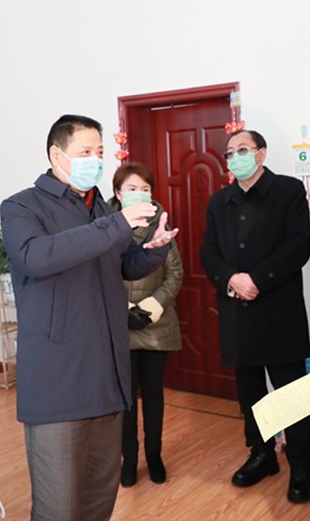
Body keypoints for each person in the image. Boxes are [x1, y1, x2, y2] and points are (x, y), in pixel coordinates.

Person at [0, 114, 178, 521]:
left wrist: (152, 250)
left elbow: (122, 265)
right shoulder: (21, 206)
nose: (95, 160)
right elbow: (37, 257)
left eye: (100, 152)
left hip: (106, 373)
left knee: (100, 497)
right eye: (85, 152)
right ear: (56, 155)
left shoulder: (97, 205)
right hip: (59, 379)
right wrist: (116, 224)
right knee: (59, 507)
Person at [199, 129, 310, 504]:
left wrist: (257, 280)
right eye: (230, 152)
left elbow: (298, 245)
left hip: (279, 312)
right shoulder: (219, 201)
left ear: (261, 154)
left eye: (243, 150)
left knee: (292, 394)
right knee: (250, 393)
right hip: (238, 311)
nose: (235, 157)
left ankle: (300, 464)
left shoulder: (288, 191)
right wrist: (231, 279)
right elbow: (208, 252)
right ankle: (262, 454)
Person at [107, 162, 184, 488]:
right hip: (118, 324)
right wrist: (124, 310)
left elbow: (175, 274)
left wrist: (149, 308)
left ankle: (154, 455)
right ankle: (129, 459)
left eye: (145, 189)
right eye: (132, 189)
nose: (139, 194)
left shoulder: (161, 225)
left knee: (153, 394)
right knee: (125, 399)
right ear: (118, 193)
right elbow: (99, 275)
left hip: (156, 324)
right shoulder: (104, 227)